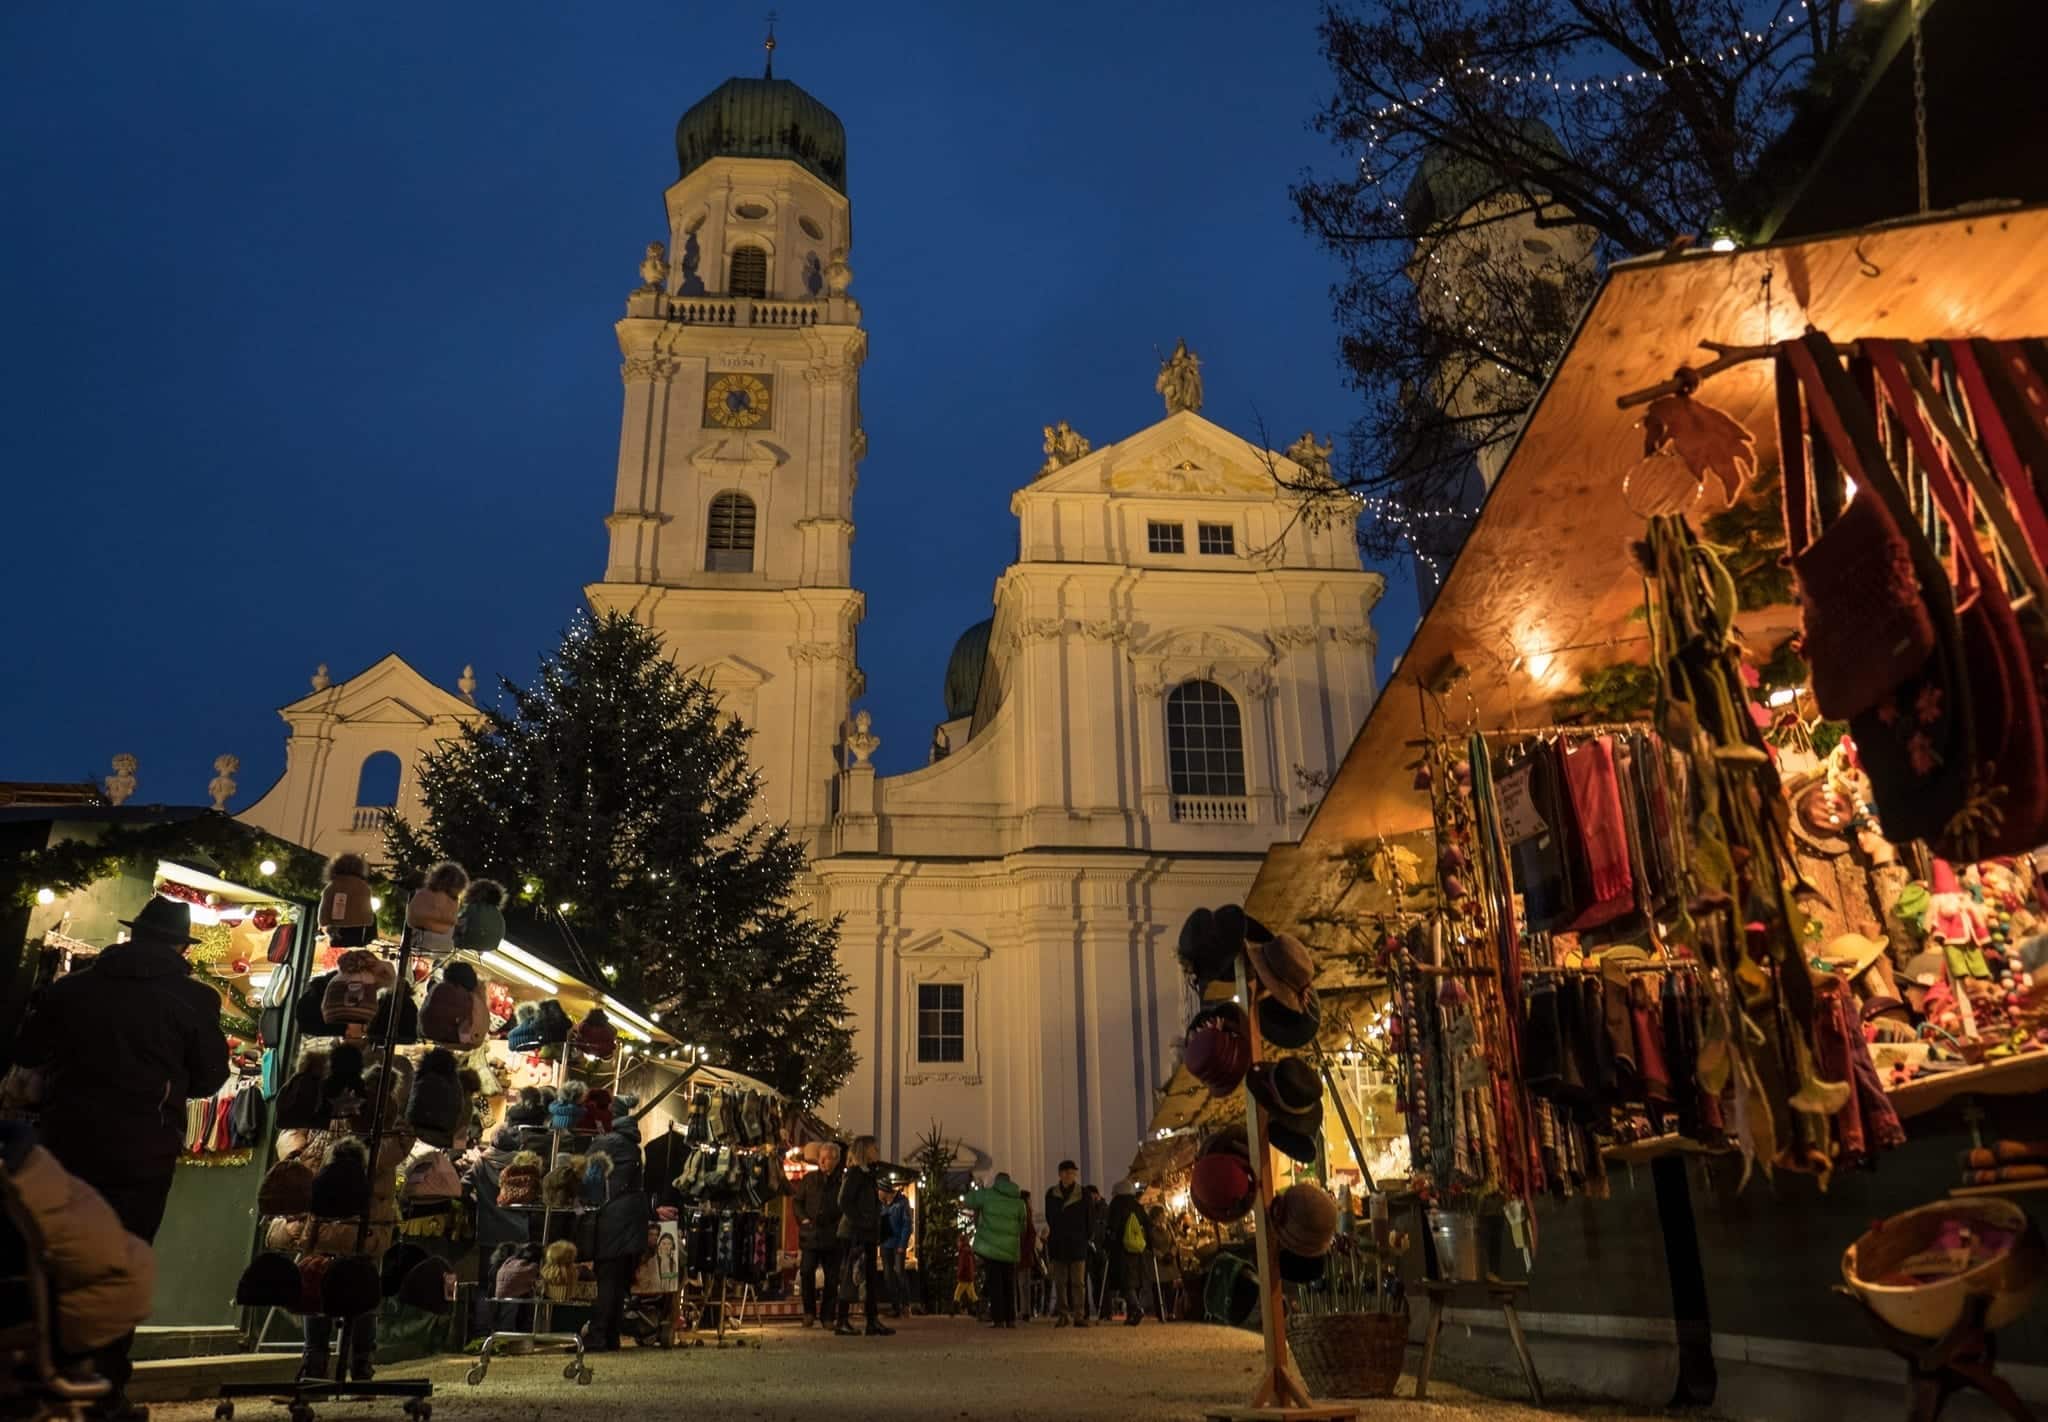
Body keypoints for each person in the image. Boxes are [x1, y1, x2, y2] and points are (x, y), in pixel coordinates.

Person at [12, 896, 229, 1418]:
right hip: (142, 1152)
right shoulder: (193, 999)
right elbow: (210, 1077)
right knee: (121, 1261)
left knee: (49, 1256)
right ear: (181, 946)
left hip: (65, 1144)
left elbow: (27, 1051)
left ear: (133, 935)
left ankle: (42, 1373)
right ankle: (104, 1389)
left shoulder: (73, 989)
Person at [580, 1093, 649, 1352]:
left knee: (607, 1277)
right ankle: (611, 1335)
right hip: (631, 1217)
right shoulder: (631, 1142)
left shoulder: (607, 1142)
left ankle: (598, 1335)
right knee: (618, 1280)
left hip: (614, 1218)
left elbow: (585, 1172)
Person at [833, 1136, 893, 1337]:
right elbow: (844, 1201)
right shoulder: (856, 1173)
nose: (877, 1151)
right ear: (864, 1151)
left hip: (866, 1233)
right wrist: (861, 1220)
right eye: (874, 1148)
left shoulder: (869, 1174)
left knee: (868, 1278)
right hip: (854, 1234)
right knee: (852, 1276)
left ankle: (872, 1320)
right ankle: (842, 1320)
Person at [963, 1171, 1026, 1330]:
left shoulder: (987, 1195)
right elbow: (1023, 1226)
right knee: (1009, 1284)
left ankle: (999, 1319)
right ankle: (1011, 1319)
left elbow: (968, 1200)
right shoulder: (1019, 1201)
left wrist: (978, 1188)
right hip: (1010, 1249)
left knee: (995, 1284)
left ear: (996, 1182)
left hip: (991, 1248)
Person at [793, 1141, 844, 1328]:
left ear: (836, 1161)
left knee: (831, 1278)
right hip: (811, 1236)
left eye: (828, 1158)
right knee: (806, 1272)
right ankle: (808, 1312)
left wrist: (839, 1225)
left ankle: (828, 1316)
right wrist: (803, 1219)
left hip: (832, 1237)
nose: (823, 1161)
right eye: (821, 1157)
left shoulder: (841, 1182)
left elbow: (846, 1207)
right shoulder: (809, 1179)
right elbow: (797, 1202)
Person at [1042, 1160, 1091, 1328]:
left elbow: (1089, 1218)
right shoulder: (1051, 1193)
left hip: (1077, 1242)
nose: (1069, 1175)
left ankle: (1079, 1314)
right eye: (1066, 1172)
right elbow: (1050, 1217)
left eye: (1072, 1172)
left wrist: (1086, 1237)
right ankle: (1063, 1314)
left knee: (1078, 1282)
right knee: (1060, 1281)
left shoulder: (1083, 1193)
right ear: (1060, 1174)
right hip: (1059, 1242)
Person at [1103, 1181, 1149, 1326]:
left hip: (1121, 1250)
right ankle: (1131, 1315)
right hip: (1137, 1249)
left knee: (1125, 1283)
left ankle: (1135, 1308)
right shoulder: (1138, 1206)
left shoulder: (1116, 1205)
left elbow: (1112, 1227)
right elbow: (1147, 1225)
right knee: (1134, 1282)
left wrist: (1107, 1244)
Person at [880, 1184, 912, 1319]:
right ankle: (895, 1306)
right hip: (885, 1244)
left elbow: (907, 1224)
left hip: (897, 1244)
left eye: (879, 1191)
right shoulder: (881, 1204)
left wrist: (902, 1244)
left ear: (885, 1191)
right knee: (888, 1275)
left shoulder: (902, 1202)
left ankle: (905, 1305)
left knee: (899, 1272)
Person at [1147, 1204, 1181, 1322]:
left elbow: (1174, 1242)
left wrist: (1172, 1253)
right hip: (1158, 1262)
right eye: (1162, 1213)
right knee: (1158, 1288)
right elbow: (1150, 1246)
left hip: (1169, 1259)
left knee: (1170, 1288)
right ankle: (1160, 1313)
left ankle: (1171, 1312)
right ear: (1157, 1215)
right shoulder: (1151, 1228)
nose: (1164, 1215)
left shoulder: (1169, 1226)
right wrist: (1160, 1256)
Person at [1082, 1183, 1108, 1319]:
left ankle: (1104, 1311)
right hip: (1089, 1248)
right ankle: (1086, 1311)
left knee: (1101, 1281)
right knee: (1087, 1281)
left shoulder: (1103, 1208)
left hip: (1101, 1248)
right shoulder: (1088, 1208)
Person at [1016, 1189, 1037, 1322]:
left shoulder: (1021, 1213)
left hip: (1019, 1252)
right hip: (1025, 1252)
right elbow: (1032, 1232)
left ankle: (1023, 1311)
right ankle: (1026, 1310)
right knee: (1025, 1284)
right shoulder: (1027, 1212)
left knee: (1021, 1284)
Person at [950, 1232, 979, 1315]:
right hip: (969, 1275)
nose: (957, 1244)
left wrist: (959, 1274)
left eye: (958, 1242)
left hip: (964, 1276)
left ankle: (954, 1310)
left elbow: (963, 1265)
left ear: (961, 1242)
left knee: (957, 1293)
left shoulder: (963, 1252)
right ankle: (978, 1310)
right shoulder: (968, 1250)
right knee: (972, 1295)